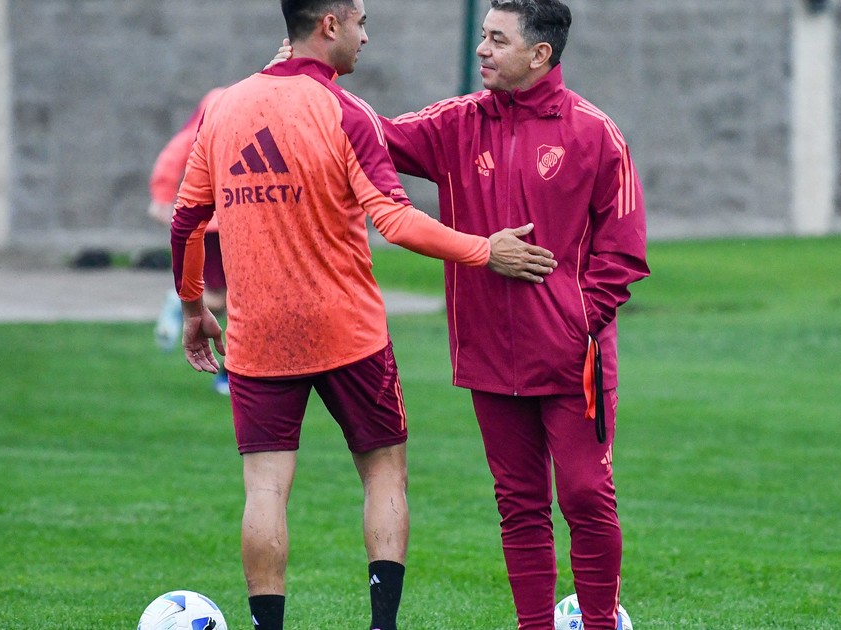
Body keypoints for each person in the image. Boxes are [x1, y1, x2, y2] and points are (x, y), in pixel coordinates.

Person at [169, 1, 556, 629]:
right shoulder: (346, 112)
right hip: (349, 333)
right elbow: (395, 221)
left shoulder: (225, 107)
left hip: (259, 334)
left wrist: (192, 308)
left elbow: (187, 221)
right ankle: (382, 625)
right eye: (361, 21)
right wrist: (487, 250)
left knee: (264, 489)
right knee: (383, 475)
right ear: (330, 25)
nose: (365, 36)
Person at [270, 1, 649, 626]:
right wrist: (311, 78)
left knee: (586, 498)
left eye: (497, 39)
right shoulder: (456, 123)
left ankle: (601, 623)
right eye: (483, 35)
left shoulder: (594, 133)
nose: (482, 49)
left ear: (540, 54)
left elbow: (623, 252)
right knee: (519, 505)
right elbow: (375, 134)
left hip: (573, 362)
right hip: (489, 358)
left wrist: (575, 321)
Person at [148, 86, 232, 394]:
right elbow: (179, 148)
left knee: (231, 300)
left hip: (237, 221)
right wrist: (162, 194)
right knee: (233, 300)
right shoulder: (222, 105)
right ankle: (229, 375)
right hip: (219, 224)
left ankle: (231, 374)